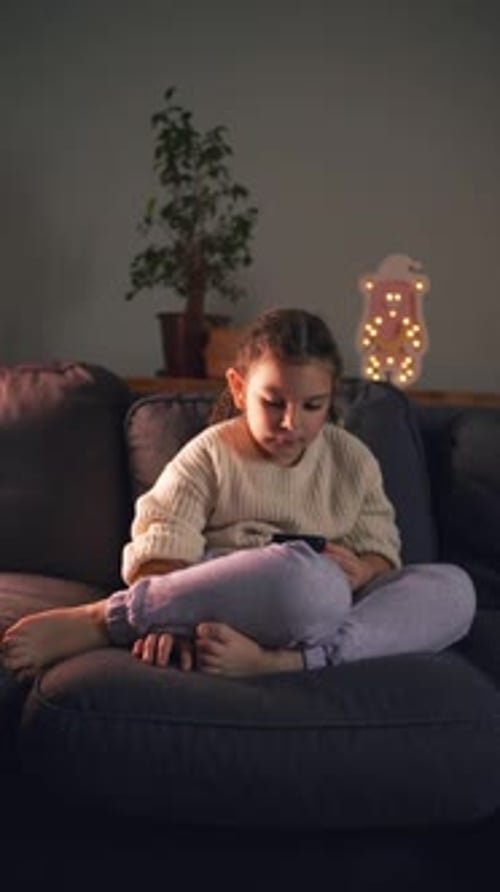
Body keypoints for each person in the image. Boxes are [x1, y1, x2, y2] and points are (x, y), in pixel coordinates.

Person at [1, 308, 475, 680]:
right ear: (239, 386)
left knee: (453, 589)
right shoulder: (209, 454)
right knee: (307, 583)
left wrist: (365, 568)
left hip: (329, 613)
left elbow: (382, 550)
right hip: (244, 599)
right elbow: (161, 548)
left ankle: (288, 664)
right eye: (273, 403)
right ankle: (107, 619)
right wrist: (169, 619)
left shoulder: (351, 459)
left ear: (332, 396)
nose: (293, 423)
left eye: (313, 406)